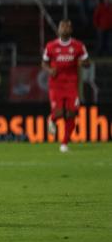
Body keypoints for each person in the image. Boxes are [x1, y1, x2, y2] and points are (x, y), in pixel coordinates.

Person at [42, 19, 90, 153]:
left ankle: (64, 143)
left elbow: (88, 63)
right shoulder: (51, 46)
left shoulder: (78, 46)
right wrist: (50, 70)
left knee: (71, 114)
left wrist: (83, 63)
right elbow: (44, 63)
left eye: (67, 26)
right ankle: (51, 119)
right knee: (58, 113)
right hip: (56, 85)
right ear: (58, 30)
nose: (64, 28)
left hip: (72, 84)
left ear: (71, 30)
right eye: (62, 26)